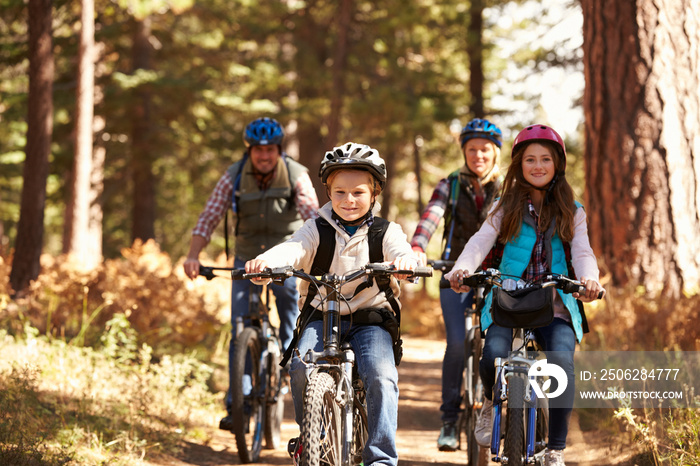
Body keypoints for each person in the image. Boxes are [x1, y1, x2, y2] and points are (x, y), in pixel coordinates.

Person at [246, 142, 418, 466]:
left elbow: (401, 252)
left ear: (375, 193)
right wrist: (264, 263)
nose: (348, 200)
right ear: (327, 192)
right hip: (321, 316)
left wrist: (406, 264)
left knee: (381, 375)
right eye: (339, 192)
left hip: (371, 319)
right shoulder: (316, 228)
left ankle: (381, 458)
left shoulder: (385, 231)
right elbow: (292, 248)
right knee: (301, 365)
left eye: (358, 192)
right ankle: (313, 439)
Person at [445, 124, 605, 466]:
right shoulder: (505, 206)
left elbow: (582, 252)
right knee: (492, 357)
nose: (537, 166)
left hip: (555, 302)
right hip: (507, 299)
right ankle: (491, 401)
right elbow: (480, 241)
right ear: (518, 164)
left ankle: (556, 450)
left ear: (557, 164)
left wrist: (589, 278)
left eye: (545, 159)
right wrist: (462, 268)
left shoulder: (573, 210)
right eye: (529, 159)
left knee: (561, 366)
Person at [183, 117, 319, 431]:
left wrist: (316, 257)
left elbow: (313, 217)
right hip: (245, 259)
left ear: (278, 150)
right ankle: (239, 405)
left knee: (290, 319)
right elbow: (209, 217)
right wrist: (193, 255)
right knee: (240, 327)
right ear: (249, 151)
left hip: (284, 257)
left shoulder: (297, 175)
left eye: (270, 149)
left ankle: (293, 381)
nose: (264, 156)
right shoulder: (233, 176)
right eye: (257, 150)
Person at [409, 118, 504, 451]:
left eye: (485, 150)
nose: (478, 155)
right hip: (453, 271)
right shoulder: (449, 183)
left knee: (497, 344)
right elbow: (432, 215)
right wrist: (418, 246)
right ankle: (449, 420)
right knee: (456, 344)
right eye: (472, 149)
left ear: (496, 153)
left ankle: (497, 410)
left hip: (497, 274)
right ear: (464, 151)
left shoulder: (508, 186)